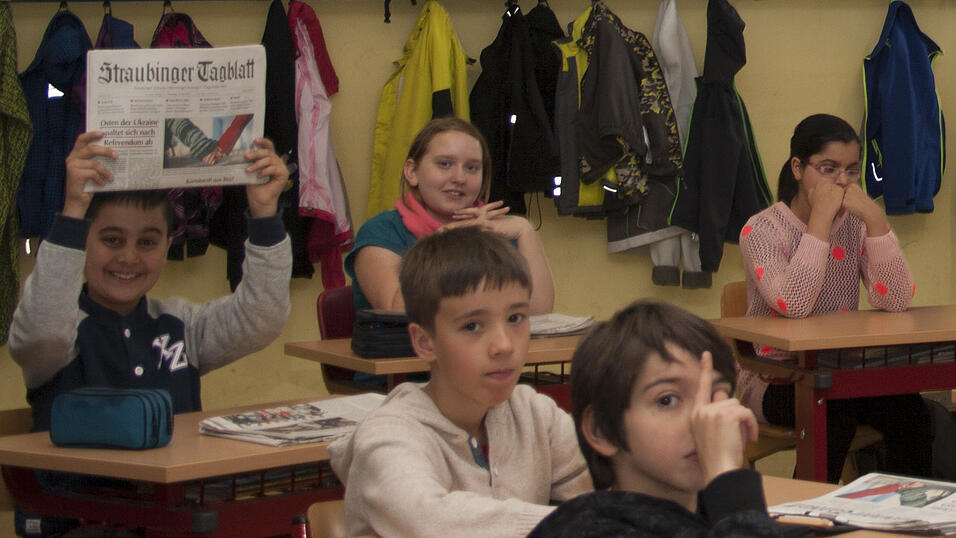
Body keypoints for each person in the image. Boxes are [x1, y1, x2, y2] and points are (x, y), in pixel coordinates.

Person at [8, 130, 293, 432]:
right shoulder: (58, 332)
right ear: (82, 243)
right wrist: (74, 210)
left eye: (146, 243)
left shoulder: (182, 324)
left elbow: (262, 318)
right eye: (112, 239)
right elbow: (42, 334)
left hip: (178, 479)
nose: (128, 257)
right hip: (88, 481)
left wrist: (264, 214)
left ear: (166, 247)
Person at [328, 227, 591, 538]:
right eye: (472, 325)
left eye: (516, 318)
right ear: (424, 342)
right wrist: (576, 524)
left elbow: (613, 490)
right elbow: (429, 522)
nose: (504, 345)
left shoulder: (535, 414)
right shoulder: (388, 436)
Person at [737, 113, 933, 483]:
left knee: (912, 411)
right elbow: (794, 304)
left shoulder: (855, 223)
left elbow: (895, 299)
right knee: (831, 412)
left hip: (842, 372)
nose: (841, 182)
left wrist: (876, 219)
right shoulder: (761, 229)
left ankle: (906, 518)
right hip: (775, 378)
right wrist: (820, 222)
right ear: (798, 167)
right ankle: (805, 520)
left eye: (851, 171)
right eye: (828, 169)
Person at [529, 300, 781, 537]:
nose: (703, 418)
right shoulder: (590, 528)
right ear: (602, 429)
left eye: (715, 394)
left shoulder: (717, 514)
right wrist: (730, 483)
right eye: (667, 400)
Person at [346, 116, 554, 315]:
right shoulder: (381, 232)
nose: (459, 178)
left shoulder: (495, 229)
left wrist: (525, 231)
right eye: (444, 164)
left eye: (472, 168)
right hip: (408, 352)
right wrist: (445, 238)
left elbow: (537, 314)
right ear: (412, 172)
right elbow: (400, 313)